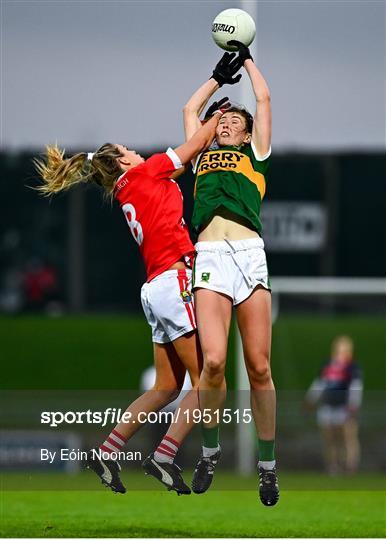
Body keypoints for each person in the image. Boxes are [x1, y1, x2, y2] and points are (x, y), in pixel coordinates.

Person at [35, 107, 233, 495]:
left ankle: (107, 450)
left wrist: (211, 94)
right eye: (130, 150)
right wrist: (219, 116)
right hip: (175, 281)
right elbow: (192, 147)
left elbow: (182, 164)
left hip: (153, 289)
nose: (138, 151)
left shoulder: (132, 184)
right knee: (209, 381)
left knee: (165, 387)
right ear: (124, 162)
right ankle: (166, 454)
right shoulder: (144, 172)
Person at [183, 42, 279, 506]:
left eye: (234, 123)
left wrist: (248, 61)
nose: (225, 123)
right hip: (210, 255)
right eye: (222, 120)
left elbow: (262, 101)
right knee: (215, 363)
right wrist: (217, 77)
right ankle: (210, 452)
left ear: (247, 134)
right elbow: (189, 108)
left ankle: (267, 466)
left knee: (259, 367)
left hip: (248, 253)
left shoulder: (255, 154)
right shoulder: (199, 155)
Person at [305, 335, 363, 475]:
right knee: (329, 438)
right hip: (328, 406)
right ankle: (333, 466)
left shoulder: (352, 368)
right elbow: (319, 384)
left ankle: (350, 466)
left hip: (344, 407)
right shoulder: (328, 366)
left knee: (347, 437)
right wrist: (310, 400)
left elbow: (356, 387)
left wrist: (353, 405)